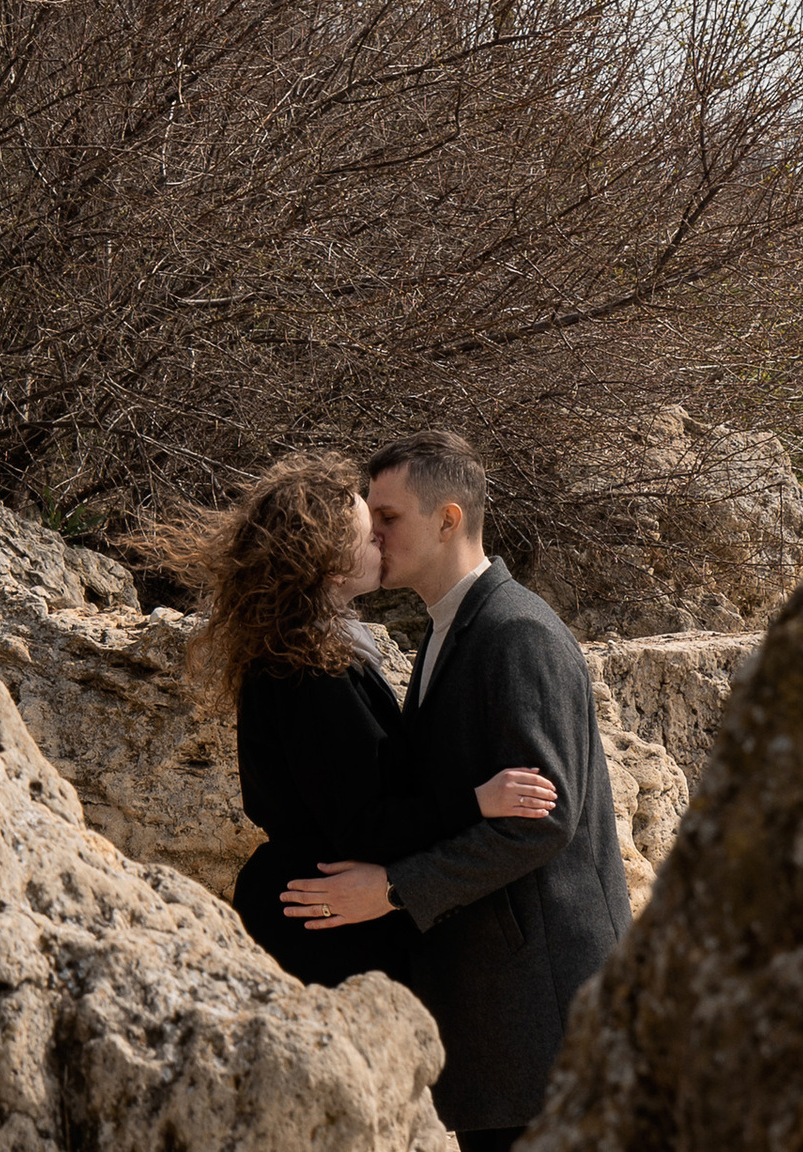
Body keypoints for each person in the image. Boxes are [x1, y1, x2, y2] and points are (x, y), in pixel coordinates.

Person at [281, 432, 630, 1152]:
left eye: (388, 518)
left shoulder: (517, 633)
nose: (371, 535)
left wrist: (395, 889)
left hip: (545, 1016)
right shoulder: (450, 630)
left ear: (448, 519)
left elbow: (543, 821)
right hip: (500, 1017)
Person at [143, 454, 559, 990]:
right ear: (332, 566)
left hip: (321, 911)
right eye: (369, 536)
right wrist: (475, 801)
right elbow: (365, 822)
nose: (380, 542)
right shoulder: (309, 671)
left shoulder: (307, 648)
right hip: (324, 924)